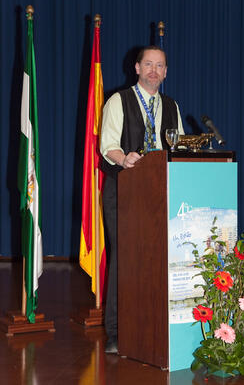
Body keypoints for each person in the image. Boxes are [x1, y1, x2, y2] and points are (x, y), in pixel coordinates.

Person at [100, 45, 184, 353]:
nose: (153, 70)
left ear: (165, 72)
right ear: (136, 68)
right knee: (126, 260)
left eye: (159, 65)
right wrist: (123, 159)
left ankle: (153, 323)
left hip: (158, 195)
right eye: (147, 64)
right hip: (123, 191)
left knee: (157, 260)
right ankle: (116, 332)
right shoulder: (118, 101)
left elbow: (178, 151)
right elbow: (107, 144)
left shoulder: (172, 106)